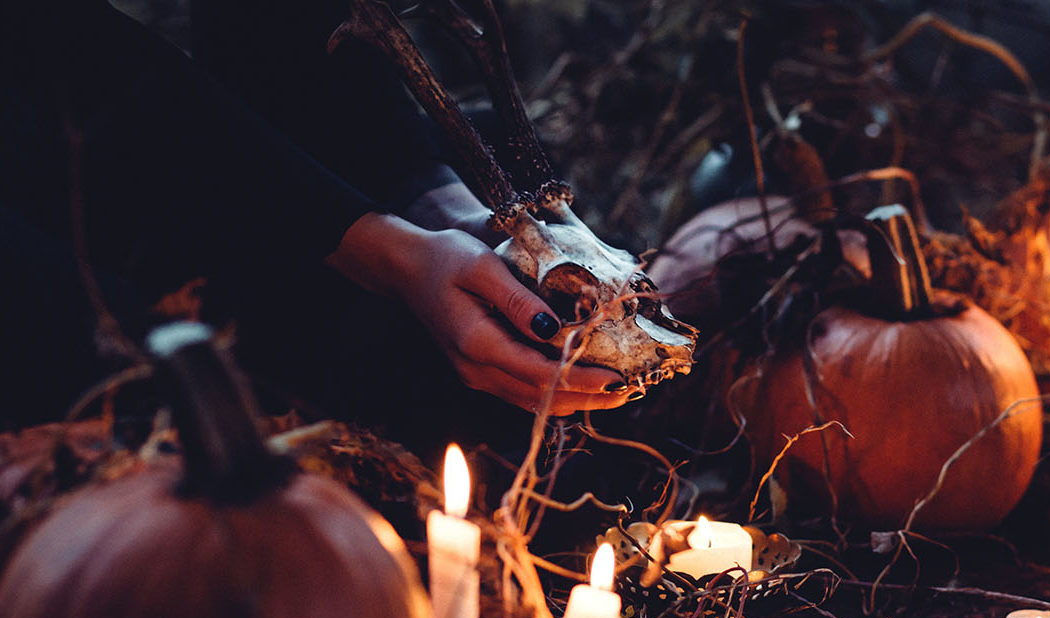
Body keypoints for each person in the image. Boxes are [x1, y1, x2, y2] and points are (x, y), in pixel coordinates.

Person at [0, 0, 630, 451]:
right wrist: (385, 249)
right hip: (54, 128)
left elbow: (281, 25)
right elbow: (57, 47)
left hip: (175, 126)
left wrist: (433, 204)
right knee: (122, 367)